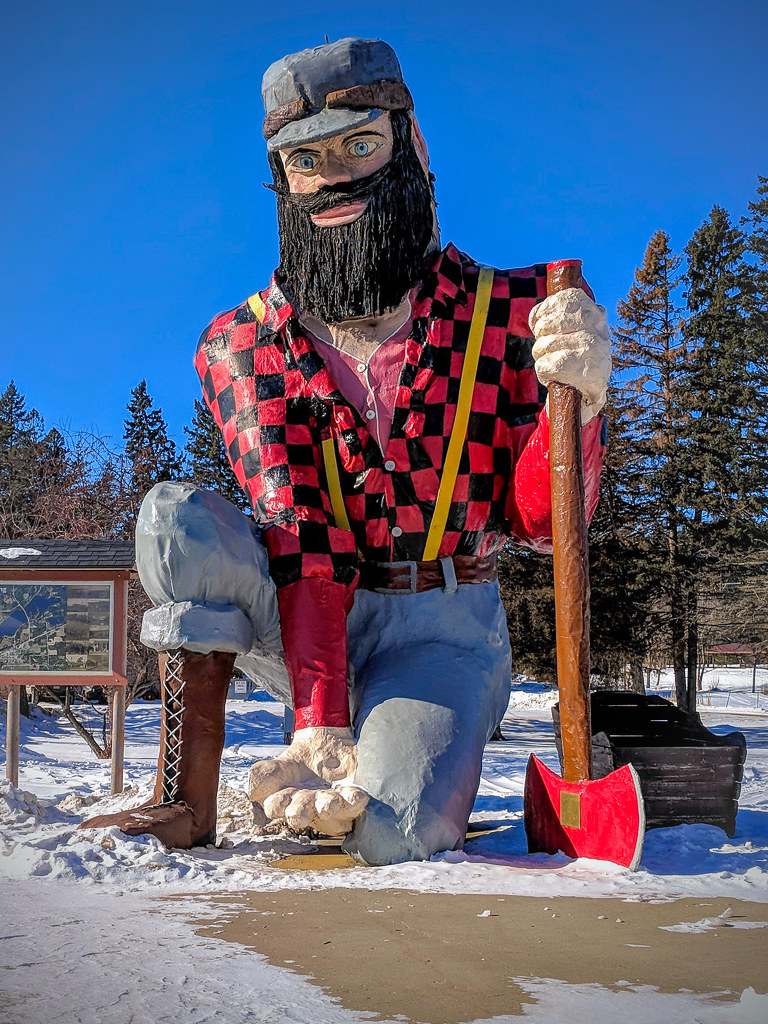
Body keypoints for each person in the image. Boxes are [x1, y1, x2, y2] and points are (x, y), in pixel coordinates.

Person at [81, 37, 611, 865]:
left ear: (412, 147)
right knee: (171, 522)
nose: (333, 176)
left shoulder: (515, 312)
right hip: (305, 611)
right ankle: (183, 800)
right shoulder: (241, 342)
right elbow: (300, 524)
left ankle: (398, 753)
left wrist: (578, 407)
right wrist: (318, 718)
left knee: (393, 835)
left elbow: (540, 523)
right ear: (281, 178)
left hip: (441, 624)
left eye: (359, 144)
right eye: (305, 159)